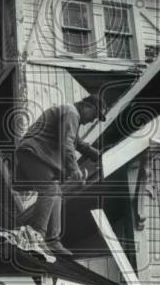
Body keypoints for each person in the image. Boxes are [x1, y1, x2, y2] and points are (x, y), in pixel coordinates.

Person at [13, 94, 105, 256]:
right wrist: (74, 169)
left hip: (35, 154)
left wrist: (94, 153)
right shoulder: (71, 113)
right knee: (49, 189)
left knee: (56, 192)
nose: (92, 121)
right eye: (94, 116)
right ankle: (36, 238)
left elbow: (76, 142)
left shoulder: (69, 113)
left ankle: (52, 240)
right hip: (33, 153)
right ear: (87, 107)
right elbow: (67, 143)